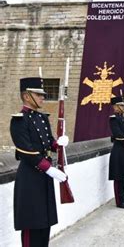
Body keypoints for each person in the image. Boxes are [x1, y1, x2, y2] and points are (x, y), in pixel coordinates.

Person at [10, 77, 69, 246]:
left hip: (43, 177)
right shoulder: (19, 120)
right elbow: (26, 151)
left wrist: (58, 143)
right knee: (32, 223)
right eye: (39, 94)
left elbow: (48, 142)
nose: (43, 97)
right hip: (30, 177)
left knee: (45, 222)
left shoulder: (42, 118)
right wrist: (48, 168)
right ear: (27, 96)